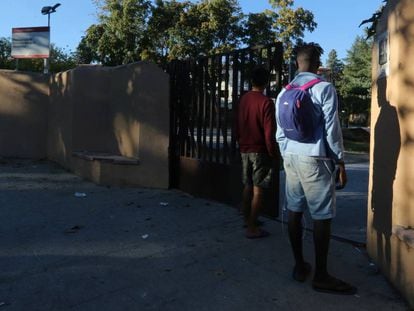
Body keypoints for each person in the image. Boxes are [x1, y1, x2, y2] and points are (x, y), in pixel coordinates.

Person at [275, 43, 357, 294]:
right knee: (322, 215)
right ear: (316, 61)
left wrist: (287, 155)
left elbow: (279, 133)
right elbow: (332, 129)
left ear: (298, 62)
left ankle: (300, 266)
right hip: (315, 158)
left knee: (294, 210)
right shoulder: (324, 88)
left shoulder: (284, 92)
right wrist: (339, 160)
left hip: (290, 156)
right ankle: (321, 275)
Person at [235, 66, 277, 239]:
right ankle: (252, 228)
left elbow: (236, 123)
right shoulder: (266, 102)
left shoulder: (243, 100)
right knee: (259, 189)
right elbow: (269, 132)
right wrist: (273, 152)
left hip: (245, 148)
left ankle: (247, 219)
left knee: (247, 185)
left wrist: (239, 141)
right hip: (260, 150)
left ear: (251, 81)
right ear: (266, 82)